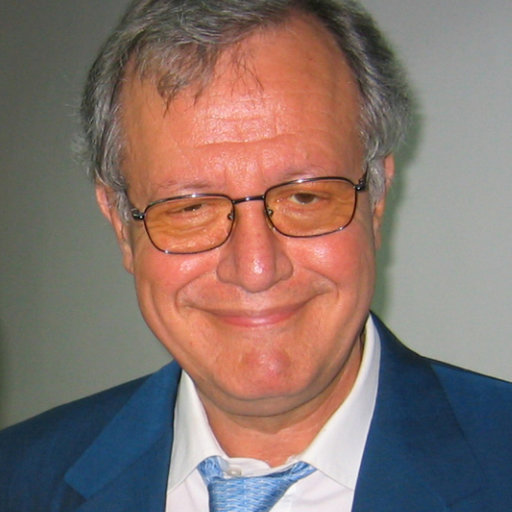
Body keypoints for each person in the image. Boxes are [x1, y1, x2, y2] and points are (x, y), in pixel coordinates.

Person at [1, 0, 511, 510]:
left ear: (375, 200)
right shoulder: (17, 480)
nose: (256, 269)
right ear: (120, 226)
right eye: (191, 207)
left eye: (305, 197)